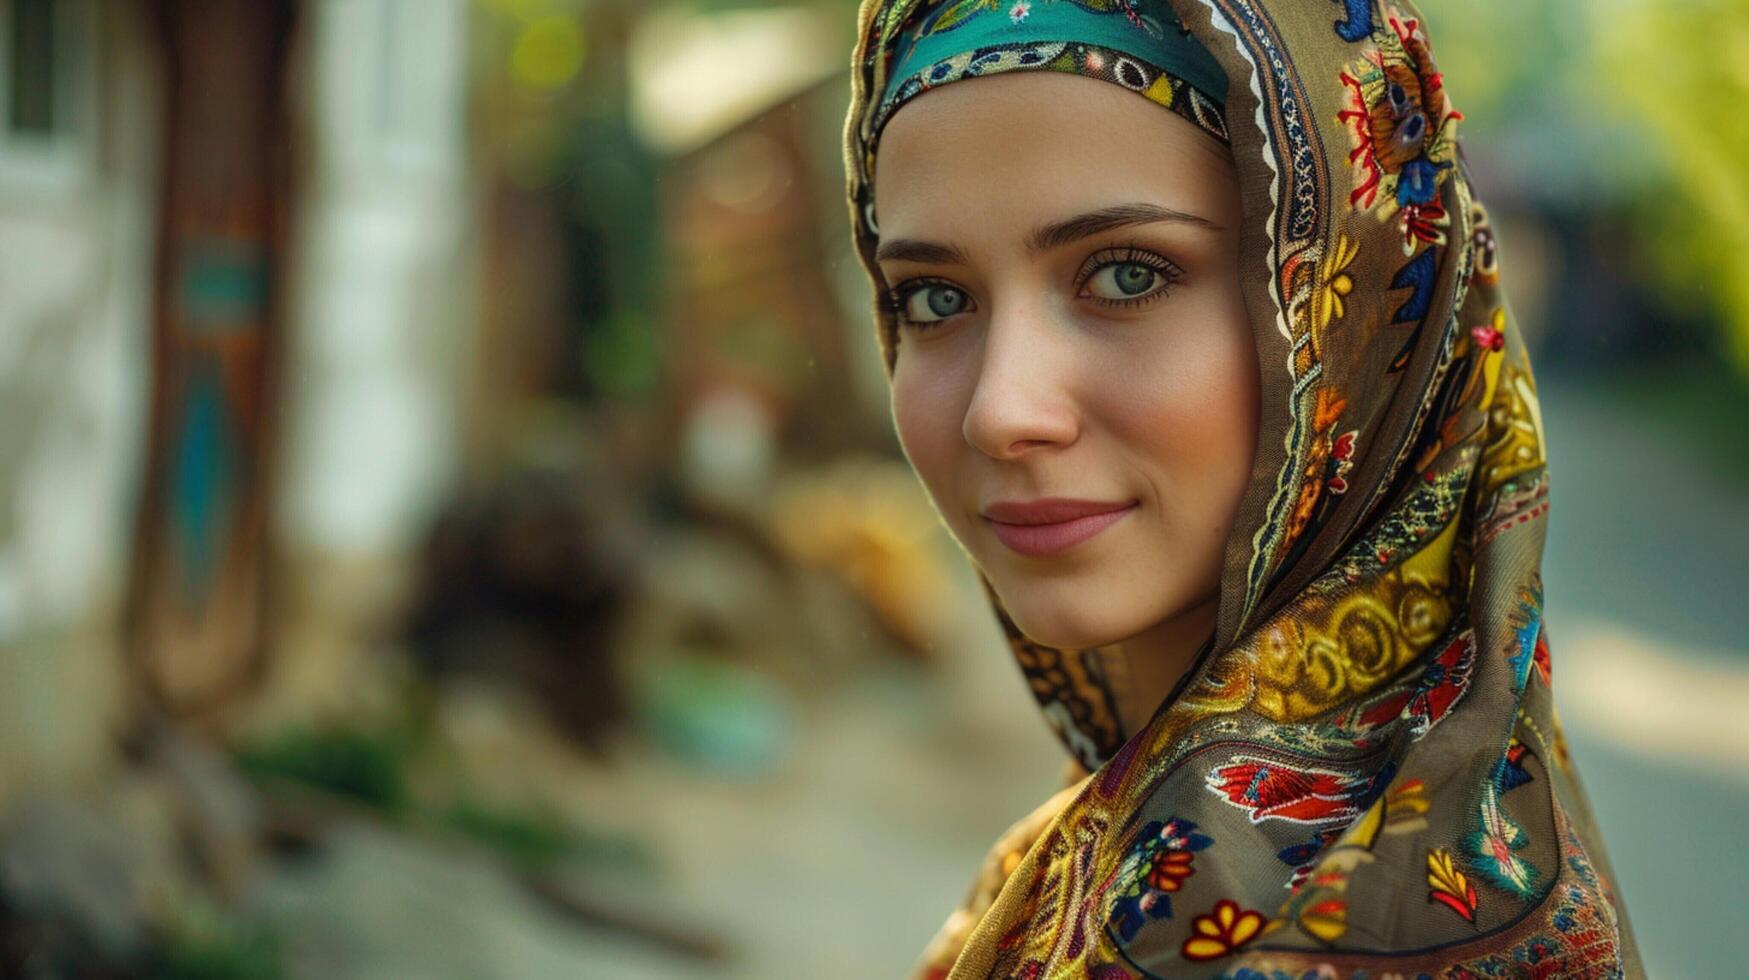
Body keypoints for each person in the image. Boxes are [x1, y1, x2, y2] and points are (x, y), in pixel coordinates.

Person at [840, 0, 1644, 976]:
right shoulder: (1099, 857)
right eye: (933, 298)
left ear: (1365, 320)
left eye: (1129, 274)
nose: (1001, 410)